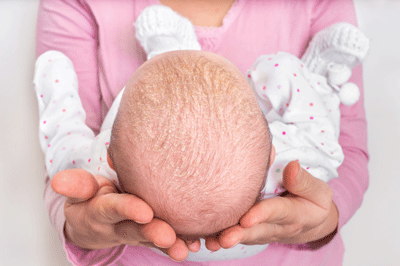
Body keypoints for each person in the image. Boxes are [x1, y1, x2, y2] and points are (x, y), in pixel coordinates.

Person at [36, 0, 369, 265]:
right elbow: (333, 148)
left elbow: (66, 155)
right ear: (271, 153)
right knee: (317, 113)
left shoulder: (101, 165)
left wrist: (74, 206)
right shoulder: (286, 169)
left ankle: (168, 55)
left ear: (111, 157)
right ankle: (322, 76)